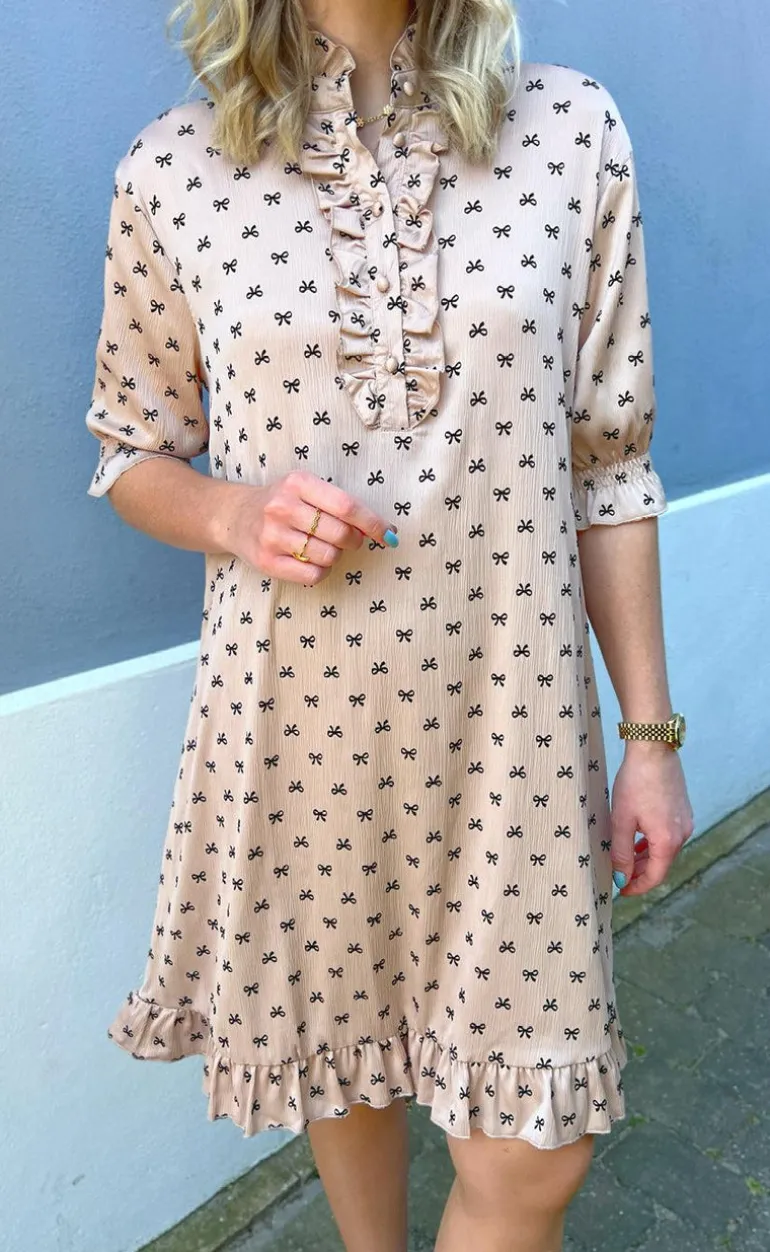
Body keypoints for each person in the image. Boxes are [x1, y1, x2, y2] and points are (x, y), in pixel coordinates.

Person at [84, 1, 695, 1249]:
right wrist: (232, 512)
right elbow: (129, 449)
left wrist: (648, 737)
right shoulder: (173, 167)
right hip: (298, 723)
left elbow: (608, 466)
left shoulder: (569, 128)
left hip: (512, 729)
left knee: (533, 1161)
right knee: (343, 1050)